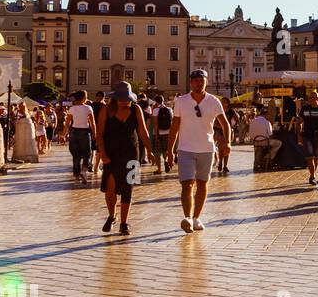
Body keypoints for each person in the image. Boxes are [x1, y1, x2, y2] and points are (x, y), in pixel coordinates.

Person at [166, 69, 230, 233]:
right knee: (187, 184)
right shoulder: (181, 101)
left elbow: (225, 124)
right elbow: (174, 127)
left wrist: (227, 143)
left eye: (201, 80)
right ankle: (187, 217)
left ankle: (196, 218)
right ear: (190, 83)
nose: (198, 83)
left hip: (206, 149)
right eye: (195, 80)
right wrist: (170, 151)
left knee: (202, 184)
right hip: (185, 148)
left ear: (206, 81)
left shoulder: (213, 101)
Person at [95, 81, 153, 236]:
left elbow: (143, 131)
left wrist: (149, 151)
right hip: (111, 155)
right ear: (115, 98)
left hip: (132, 154)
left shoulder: (136, 109)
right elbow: (99, 134)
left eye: (126, 98)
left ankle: (124, 223)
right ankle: (112, 216)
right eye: (120, 98)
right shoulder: (106, 110)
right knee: (110, 189)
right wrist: (103, 155)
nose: (123, 101)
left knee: (128, 188)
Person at [298, 90, 318, 185]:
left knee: (316, 158)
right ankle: (312, 176)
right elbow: (300, 122)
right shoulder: (304, 108)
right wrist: (299, 135)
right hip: (307, 135)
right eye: (311, 97)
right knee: (310, 157)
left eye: (314, 97)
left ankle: (313, 174)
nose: (312, 99)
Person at [66, 91, 96, 184]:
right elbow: (92, 123)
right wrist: (95, 134)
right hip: (85, 132)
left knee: (76, 155)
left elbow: (67, 123)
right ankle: (84, 170)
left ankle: (76, 176)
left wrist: (64, 134)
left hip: (74, 132)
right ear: (83, 98)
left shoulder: (72, 109)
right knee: (87, 153)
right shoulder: (88, 108)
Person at [214, 99, 234, 174]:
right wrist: (221, 127)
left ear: (228, 103)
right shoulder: (218, 110)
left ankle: (225, 166)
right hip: (219, 131)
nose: (223, 103)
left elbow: (236, 119)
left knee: (227, 148)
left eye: (225, 102)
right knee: (220, 148)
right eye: (222, 102)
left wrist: (232, 126)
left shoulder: (231, 111)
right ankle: (220, 163)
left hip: (228, 132)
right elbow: (214, 123)